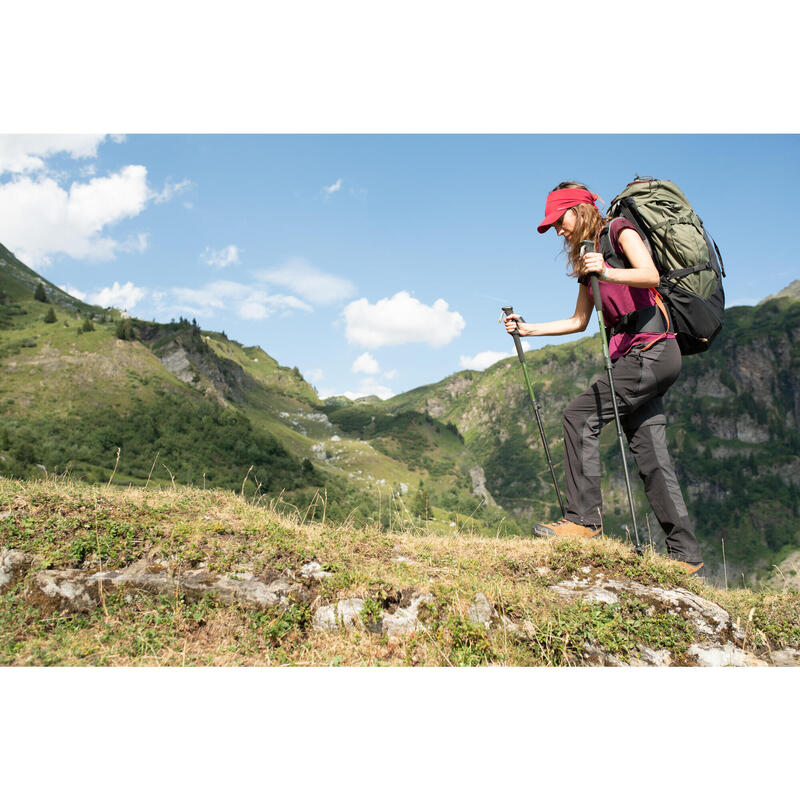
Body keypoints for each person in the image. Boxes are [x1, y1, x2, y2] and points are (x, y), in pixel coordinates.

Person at [504, 181, 704, 574]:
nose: (558, 231)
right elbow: (579, 322)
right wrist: (527, 330)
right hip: (639, 357)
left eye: (559, 221)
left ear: (579, 210)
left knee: (579, 416)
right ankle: (687, 556)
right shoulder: (587, 261)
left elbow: (650, 275)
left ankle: (583, 520)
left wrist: (608, 271)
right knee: (651, 454)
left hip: (654, 350)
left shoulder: (618, 230)